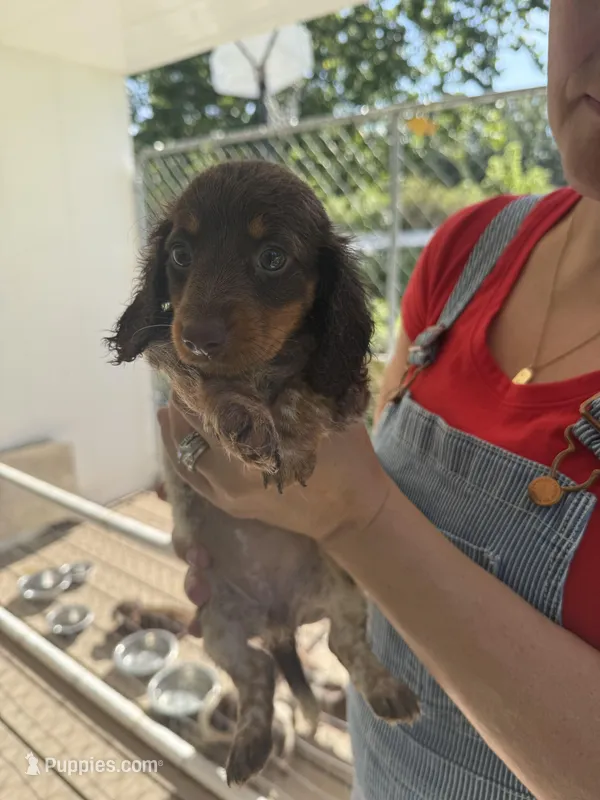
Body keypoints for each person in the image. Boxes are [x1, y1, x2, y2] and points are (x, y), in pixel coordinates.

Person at [157, 2, 600, 797]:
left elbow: (356, 499)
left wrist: (349, 516)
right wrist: (255, 529)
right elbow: (354, 449)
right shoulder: (468, 251)